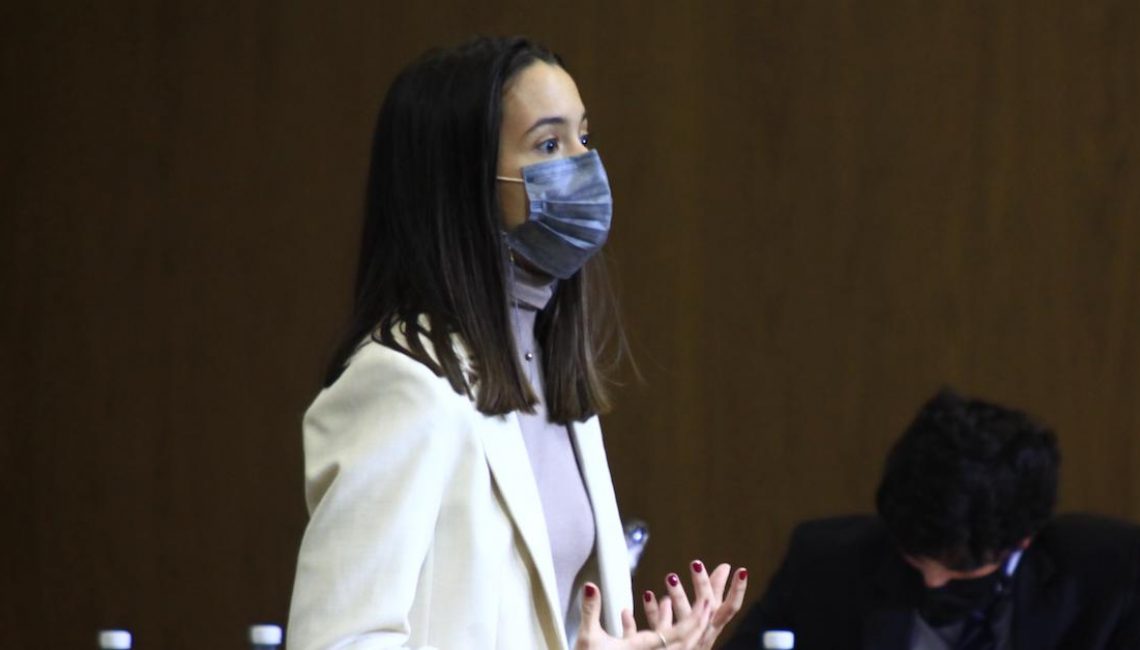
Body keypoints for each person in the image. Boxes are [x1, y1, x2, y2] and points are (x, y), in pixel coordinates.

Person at [286, 37, 747, 650]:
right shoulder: (402, 380)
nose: (584, 165)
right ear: (465, 180)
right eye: (549, 145)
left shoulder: (549, 368)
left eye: (585, 137)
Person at [723, 389, 1140, 650]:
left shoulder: (1112, 579)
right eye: (914, 557)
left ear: (1023, 539)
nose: (933, 582)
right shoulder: (826, 563)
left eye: (959, 567)